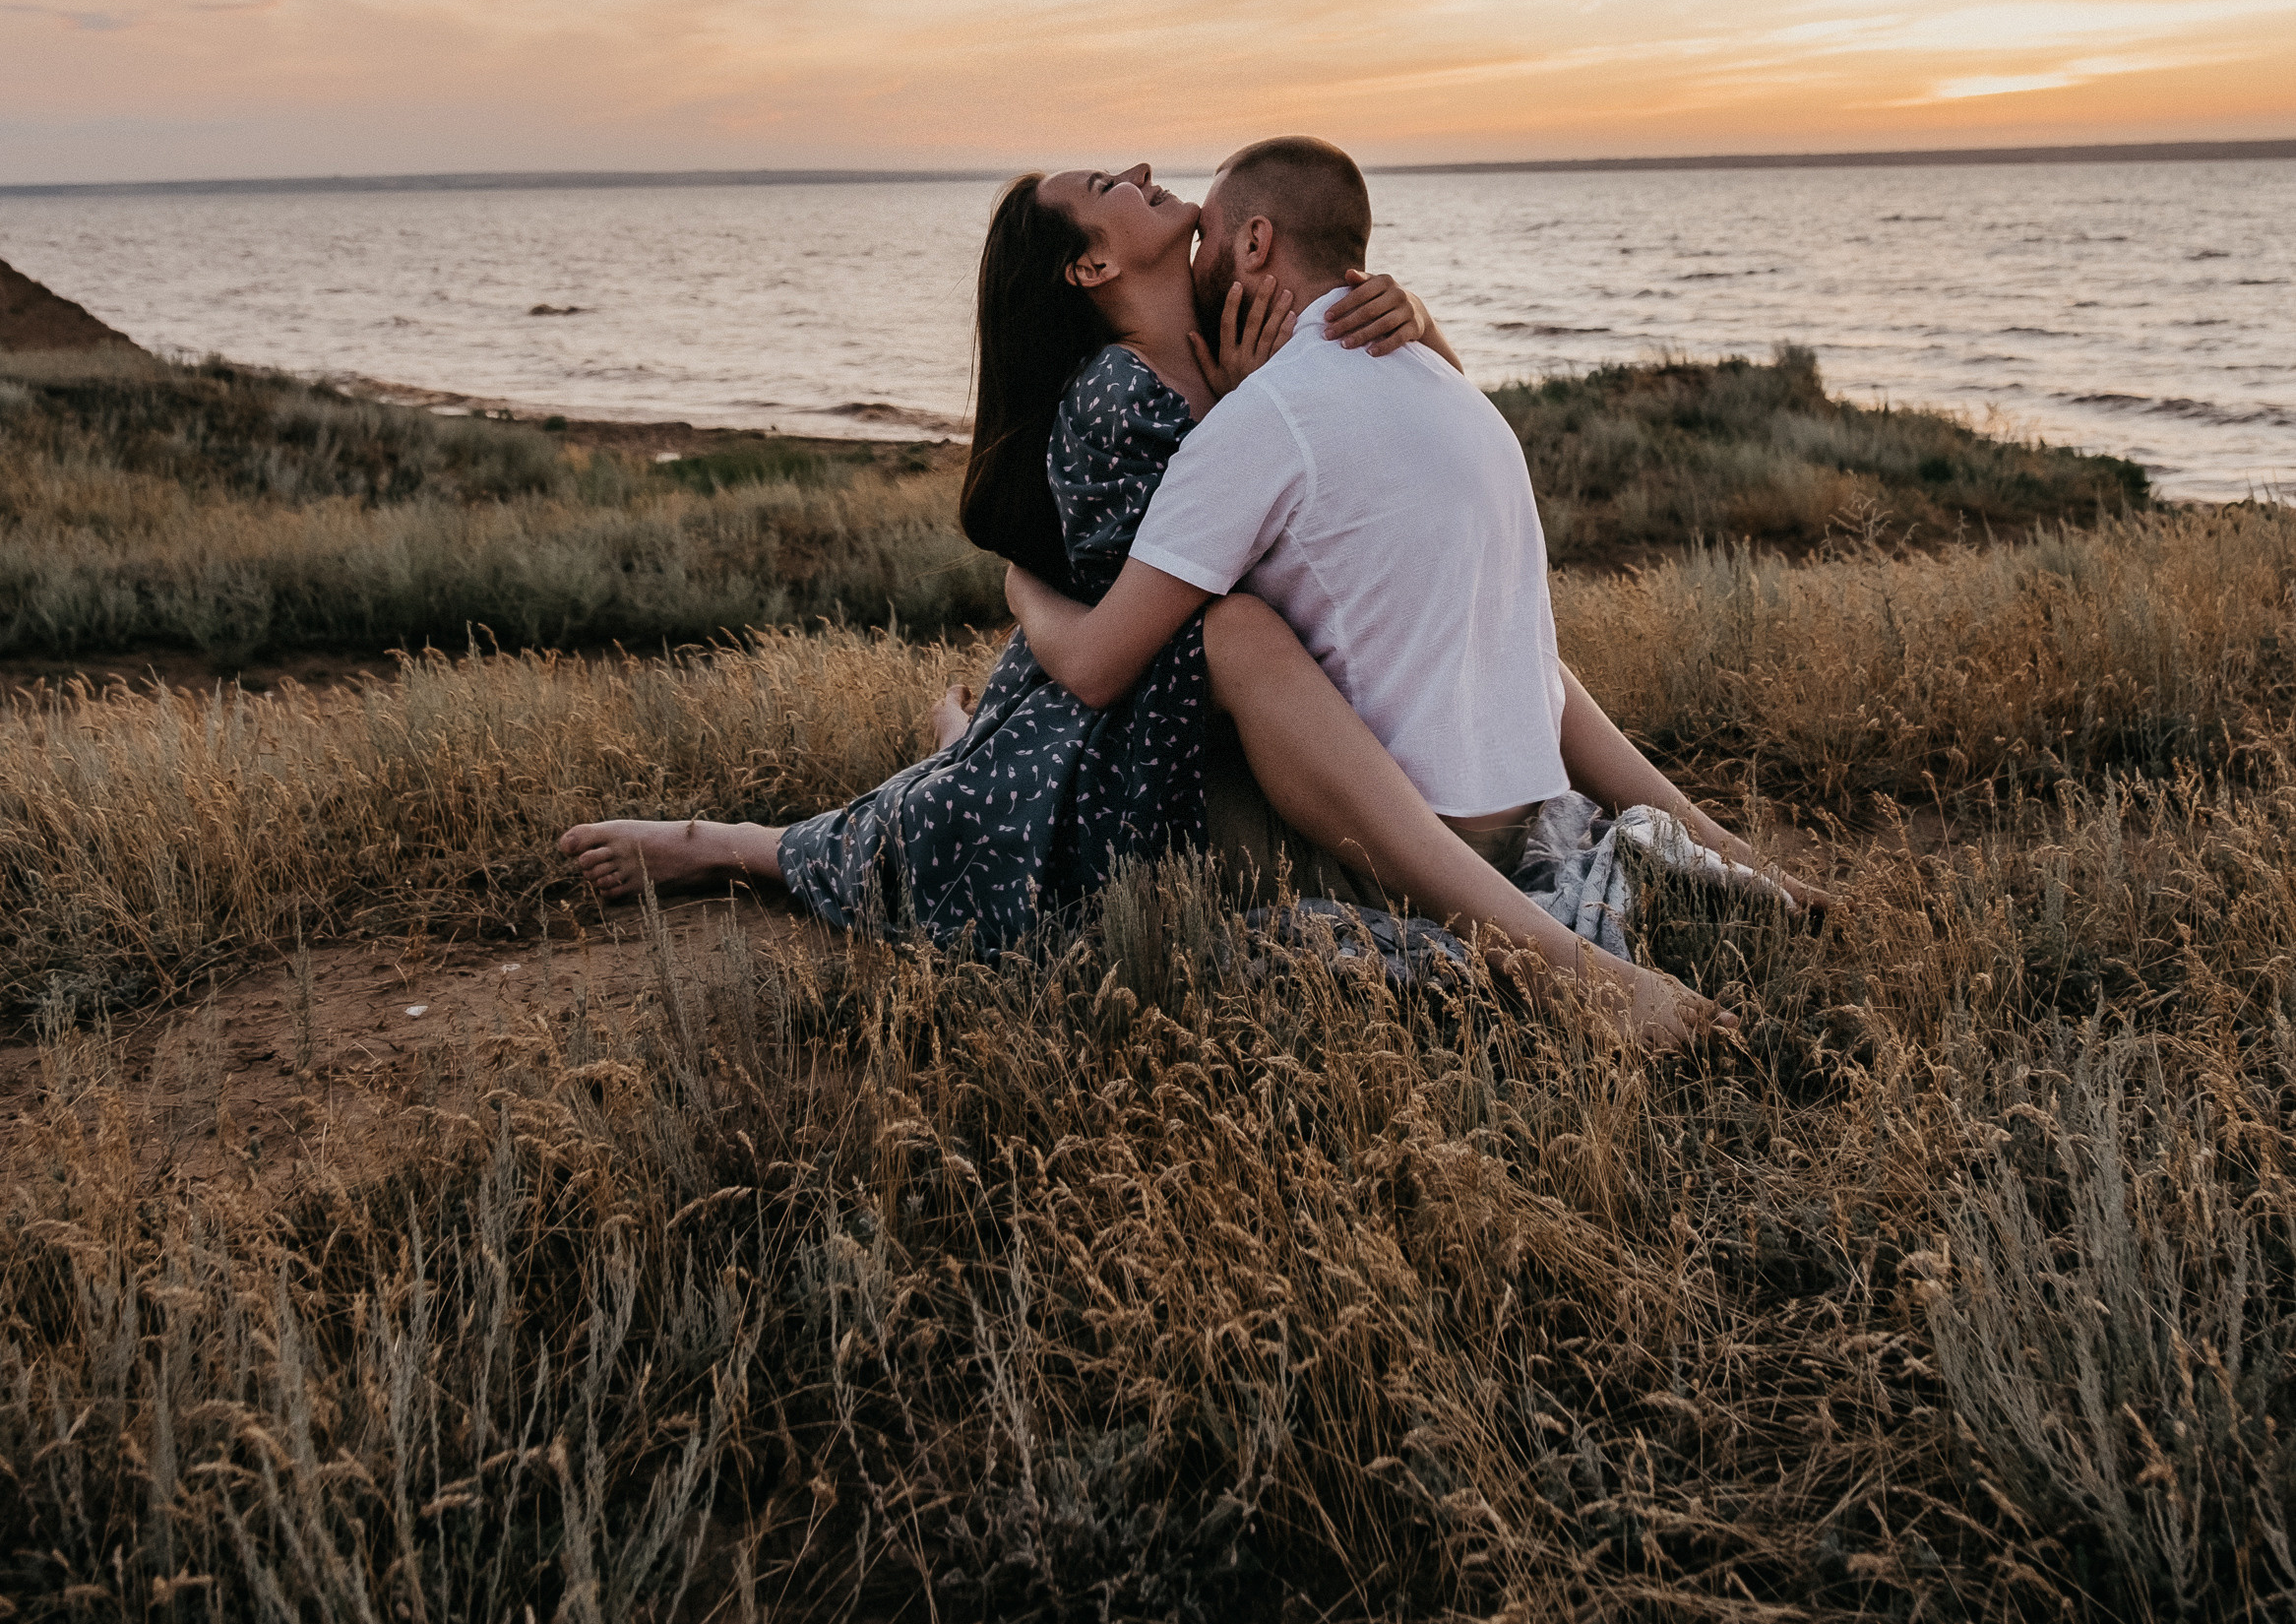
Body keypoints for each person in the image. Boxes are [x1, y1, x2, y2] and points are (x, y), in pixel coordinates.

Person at [561, 148, 1780, 1042]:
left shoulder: (1244, 346)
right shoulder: (1119, 394)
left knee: (1501, 630)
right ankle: (727, 840)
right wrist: (1032, 590)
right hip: (1149, 730)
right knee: (938, 828)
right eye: (1108, 183)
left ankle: (1724, 848)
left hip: (1258, 723)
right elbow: (1158, 627)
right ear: (1092, 260)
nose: (1144, 165)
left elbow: (1373, 526)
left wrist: (1414, 326)